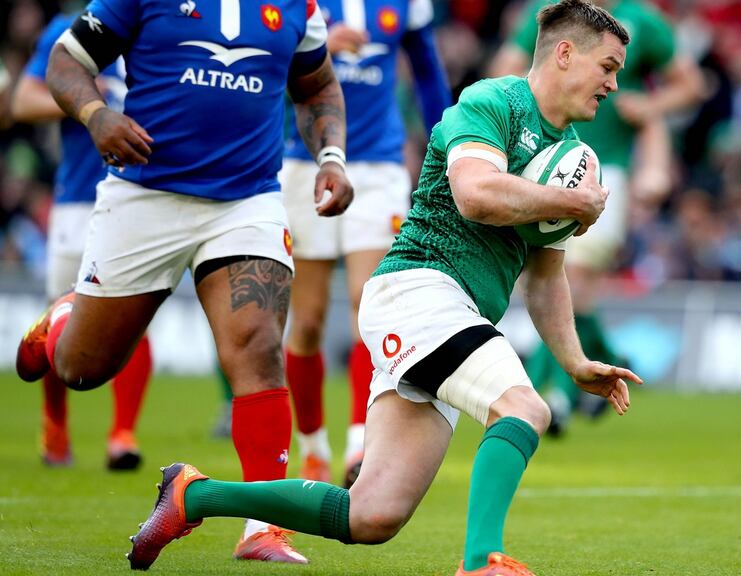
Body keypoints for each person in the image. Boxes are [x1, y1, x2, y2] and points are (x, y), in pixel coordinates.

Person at [125, 2, 641, 574]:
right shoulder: (493, 101)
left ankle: (194, 496)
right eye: (608, 67)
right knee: (523, 407)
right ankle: (481, 562)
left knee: (371, 515)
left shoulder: (571, 156)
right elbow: (475, 194)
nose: (614, 85)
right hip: (418, 291)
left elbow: (544, 275)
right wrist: (571, 202)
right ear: (565, 53)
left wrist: (574, 362)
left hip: (453, 314)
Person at [16, 0, 353, 565]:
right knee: (82, 368)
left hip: (246, 199)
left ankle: (262, 526)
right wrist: (97, 116)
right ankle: (61, 323)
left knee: (260, 347)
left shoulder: (302, 6)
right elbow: (66, 60)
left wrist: (333, 157)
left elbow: (317, 85)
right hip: (144, 193)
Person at [489, 0, 703, 434]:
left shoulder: (642, 21)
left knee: (572, 276)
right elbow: (504, 70)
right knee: (569, 288)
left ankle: (551, 396)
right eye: (608, 69)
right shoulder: (553, 14)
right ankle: (605, 356)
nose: (613, 83)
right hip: (542, 163)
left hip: (607, 170)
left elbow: (691, 84)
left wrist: (650, 105)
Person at [281, 0, 450, 487]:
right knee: (307, 320)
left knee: (368, 302)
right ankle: (313, 448)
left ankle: (360, 444)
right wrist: (315, 51)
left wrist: (449, 150)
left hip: (379, 166)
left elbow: (427, 73)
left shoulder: (409, 5)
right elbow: (265, 68)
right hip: (306, 160)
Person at [11, 13, 151, 471]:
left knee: (136, 313)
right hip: (78, 198)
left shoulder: (170, 19)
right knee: (60, 314)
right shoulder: (71, 28)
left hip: (143, 194)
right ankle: (55, 424)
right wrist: (88, 103)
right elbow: (24, 101)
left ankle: (122, 434)